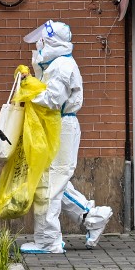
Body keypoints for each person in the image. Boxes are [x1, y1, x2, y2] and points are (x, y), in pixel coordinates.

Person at [18, 20, 113, 254]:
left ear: (51, 41)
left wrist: (28, 90)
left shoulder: (61, 66)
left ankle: (49, 241)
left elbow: (52, 99)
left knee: (50, 182)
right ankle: (92, 216)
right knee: (53, 180)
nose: (38, 44)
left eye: (43, 40)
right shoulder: (56, 63)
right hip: (56, 125)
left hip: (61, 125)